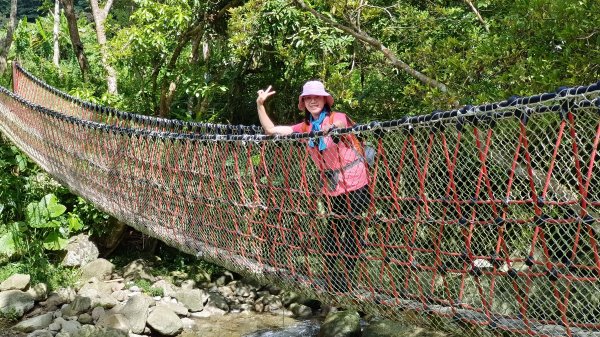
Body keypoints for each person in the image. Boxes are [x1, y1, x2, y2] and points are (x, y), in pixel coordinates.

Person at [256, 80, 370, 293]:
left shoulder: (338, 118)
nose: (312, 101)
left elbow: (339, 127)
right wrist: (260, 104)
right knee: (333, 234)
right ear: (304, 102)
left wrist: (329, 129)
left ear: (325, 100)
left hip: (356, 182)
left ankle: (345, 282)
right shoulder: (305, 127)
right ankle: (333, 279)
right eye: (308, 98)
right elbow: (271, 130)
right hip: (334, 187)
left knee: (351, 231)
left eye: (316, 97)